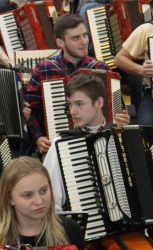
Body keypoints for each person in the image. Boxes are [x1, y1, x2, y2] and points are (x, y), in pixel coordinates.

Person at [42, 73, 153, 250]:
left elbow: (146, 186)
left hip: (124, 226)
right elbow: (52, 197)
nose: (73, 111)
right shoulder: (59, 144)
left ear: (99, 103)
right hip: (80, 228)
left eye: (79, 104)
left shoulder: (126, 136)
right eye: (70, 105)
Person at [24, 14, 109, 154]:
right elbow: (30, 110)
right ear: (60, 42)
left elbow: (111, 111)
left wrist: (122, 117)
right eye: (76, 38)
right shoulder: (44, 68)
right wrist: (38, 137)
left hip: (97, 143)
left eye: (84, 35)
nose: (84, 41)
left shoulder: (101, 69)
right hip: (58, 144)